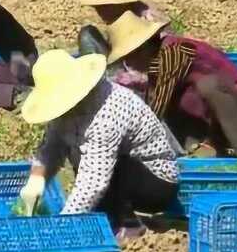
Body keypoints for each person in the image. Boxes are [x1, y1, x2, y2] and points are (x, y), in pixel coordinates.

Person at [18, 50, 179, 239]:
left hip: (155, 182)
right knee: (85, 160)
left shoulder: (107, 111)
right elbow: (52, 146)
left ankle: (127, 224)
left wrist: (64, 225)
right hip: (113, 181)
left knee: (116, 166)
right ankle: (105, 217)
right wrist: (36, 179)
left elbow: (95, 177)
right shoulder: (65, 110)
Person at [105, 11, 237, 157]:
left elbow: (155, 111)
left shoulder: (172, 53)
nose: (128, 63)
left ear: (144, 48)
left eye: (129, 56)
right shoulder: (160, 57)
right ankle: (211, 145)